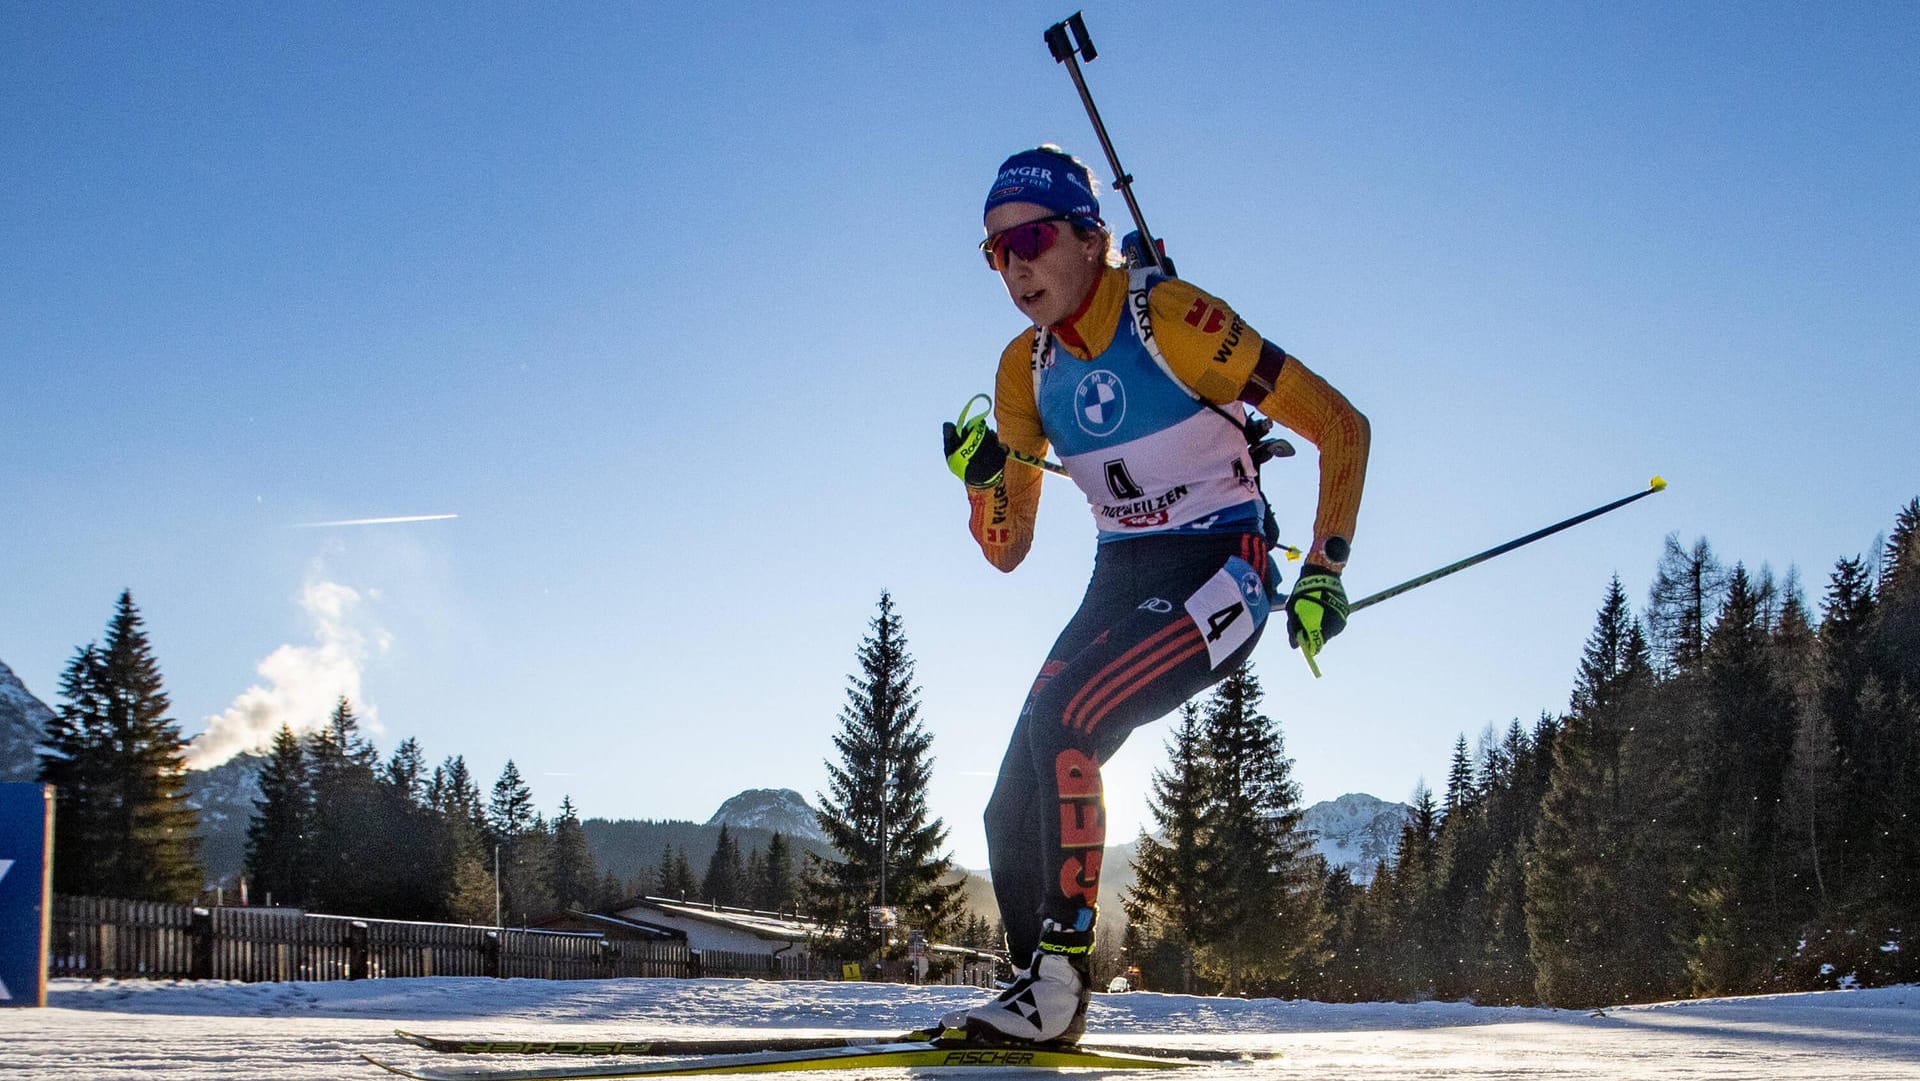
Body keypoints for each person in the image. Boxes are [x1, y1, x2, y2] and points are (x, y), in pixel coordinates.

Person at [939, 146, 1370, 1044]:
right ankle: (1034, 990)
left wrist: (1324, 567)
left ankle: (1060, 985)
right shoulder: (1026, 368)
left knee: (1070, 714)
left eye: (1033, 237)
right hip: (1122, 573)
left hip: (1225, 565)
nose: (1016, 265)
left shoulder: (1173, 318)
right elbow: (1008, 549)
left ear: (1091, 238)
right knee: (1007, 806)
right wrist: (983, 482)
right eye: (995, 252)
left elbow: (1340, 424)